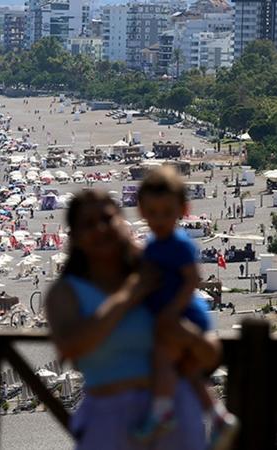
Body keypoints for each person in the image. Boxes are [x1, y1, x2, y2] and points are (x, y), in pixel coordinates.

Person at [45, 190, 220, 450]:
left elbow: (211, 354)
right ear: (76, 237)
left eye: (107, 218)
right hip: (109, 418)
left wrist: (184, 334)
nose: (101, 228)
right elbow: (71, 346)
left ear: (122, 222)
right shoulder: (65, 293)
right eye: (89, 224)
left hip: (175, 413)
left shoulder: (158, 274)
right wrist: (130, 294)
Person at [134, 168, 238, 446]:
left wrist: (168, 313)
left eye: (166, 213)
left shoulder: (178, 244)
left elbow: (192, 280)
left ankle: (161, 411)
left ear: (183, 209)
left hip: (184, 315)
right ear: (142, 211)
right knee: (188, 371)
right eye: (153, 213)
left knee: (162, 356)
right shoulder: (154, 243)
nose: (159, 220)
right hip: (176, 313)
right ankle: (218, 416)